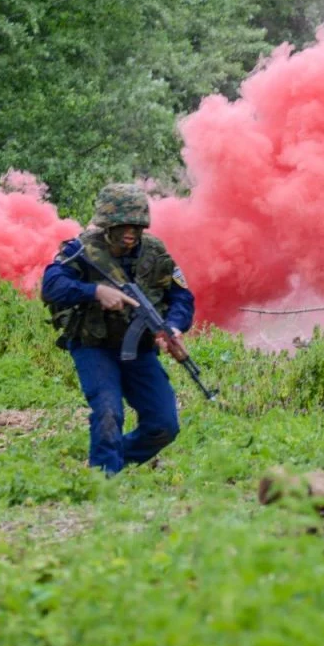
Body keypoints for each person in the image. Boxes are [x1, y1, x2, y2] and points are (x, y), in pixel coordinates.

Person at [40, 183, 195, 475]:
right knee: (108, 411)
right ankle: (104, 479)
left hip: (138, 349)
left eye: (136, 226)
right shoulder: (81, 249)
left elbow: (182, 297)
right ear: (107, 224)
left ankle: (114, 460)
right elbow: (51, 285)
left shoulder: (155, 253)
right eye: (123, 225)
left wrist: (173, 327)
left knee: (164, 424)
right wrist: (94, 291)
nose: (130, 232)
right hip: (93, 345)